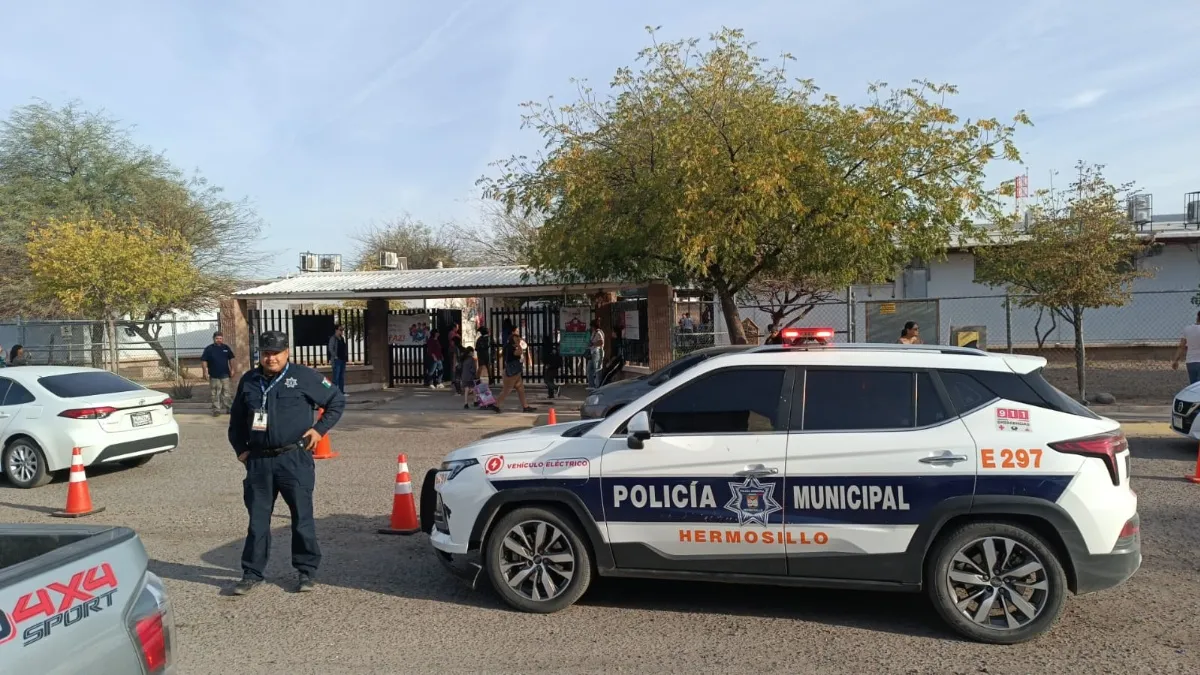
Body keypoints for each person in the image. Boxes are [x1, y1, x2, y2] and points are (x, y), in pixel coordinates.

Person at [227, 330, 345, 596]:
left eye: (276, 353)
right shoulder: (249, 380)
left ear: (287, 352)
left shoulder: (303, 376)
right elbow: (236, 421)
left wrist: (319, 430)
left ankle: (306, 571)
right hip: (259, 461)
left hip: (294, 459)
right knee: (258, 521)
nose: (271, 358)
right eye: (266, 353)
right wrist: (241, 450)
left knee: (302, 518)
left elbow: (336, 401)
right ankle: (251, 573)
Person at [490, 327, 535, 413]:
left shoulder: (509, 346)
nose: (518, 340)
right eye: (516, 339)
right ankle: (496, 405)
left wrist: (520, 343)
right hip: (512, 372)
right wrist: (519, 344)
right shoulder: (511, 348)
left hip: (515, 371)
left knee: (520, 389)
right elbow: (519, 352)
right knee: (507, 390)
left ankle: (525, 406)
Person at [201, 331, 237, 417]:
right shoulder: (209, 349)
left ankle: (229, 408)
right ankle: (216, 410)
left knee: (227, 392)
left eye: (220, 338)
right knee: (215, 393)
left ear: (222, 339)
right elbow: (204, 360)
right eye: (217, 338)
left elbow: (231, 359)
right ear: (213, 339)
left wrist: (232, 369)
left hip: (225, 375)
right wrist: (205, 371)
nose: (219, 340)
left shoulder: (226, 348)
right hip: (214, 375)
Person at [1172, 310, 1200, 384]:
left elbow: (1181, 346)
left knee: (1193, 385)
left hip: (1191, 361)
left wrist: (1176, 360)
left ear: (1197, 317)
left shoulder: (1187, 329)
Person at [327, 324, 348, 393]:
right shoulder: (333, 338)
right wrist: (335, 356)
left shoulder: (342, 338)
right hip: (337, 360)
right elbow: (330, 348)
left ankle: (341, 392)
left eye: (342, 330)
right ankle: (334, 393)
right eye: (340, 329)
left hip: (342, 359)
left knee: (341, 377)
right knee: (336, 377)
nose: (342, 331)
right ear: (336, 330)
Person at [543, 328, 563, 398]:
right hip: (555, 365)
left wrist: (546, 364)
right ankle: (551, 394)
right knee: (550, 380)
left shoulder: (546, 348)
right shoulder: (552, 347)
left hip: (549, 366)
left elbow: (545, 358)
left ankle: (556, 387)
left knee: (547, 380)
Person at [587, 319, 605, 390]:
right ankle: (591, 385)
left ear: (593, 326)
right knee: (589, 369)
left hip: (597, 352)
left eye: (591, 326)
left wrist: (593, 344)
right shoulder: (594, 332)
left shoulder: (598, 332)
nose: (591, 328)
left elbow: (601, 342)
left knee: (597, 370)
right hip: (593, 352)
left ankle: (598, 386)